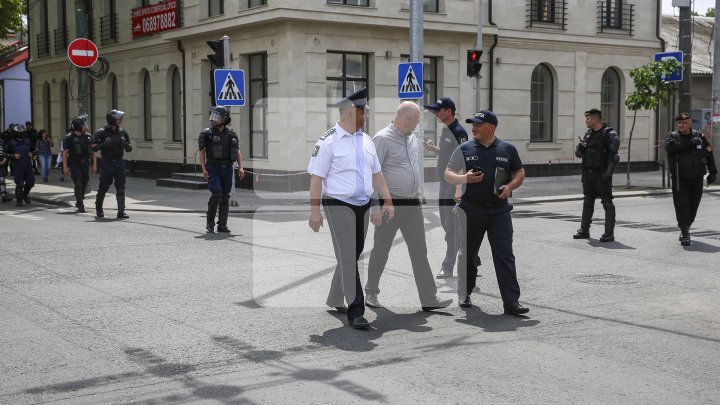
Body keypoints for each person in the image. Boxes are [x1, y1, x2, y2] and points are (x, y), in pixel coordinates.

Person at [307, 87, 394, 329]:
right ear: (348, 113)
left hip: (362, 205)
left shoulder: (366, 140)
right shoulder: (327, 142)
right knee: (348, 256)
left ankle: (335, 296)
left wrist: (386, 201)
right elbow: (316, 179)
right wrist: (314, 211)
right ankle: (356, 311)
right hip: (337, 204)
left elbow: (377, 173)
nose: (366, 117)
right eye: (362, 112)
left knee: (352, 255)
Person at [364, 101, 453, 311]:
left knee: (419, 251)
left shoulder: (412, 139)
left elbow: (413, 168)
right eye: (415, 121)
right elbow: (372, 175)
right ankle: (371, 292)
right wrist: (375, 207)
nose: (417, 126)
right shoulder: (382, 139)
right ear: (406, 119)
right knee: (381, 249)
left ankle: (429, 298)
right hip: (390, 204)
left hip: (413, 204)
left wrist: (419, 194)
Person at [444, 110, 529, 315]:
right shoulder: (464, 149)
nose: (474, 127)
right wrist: (464, 179)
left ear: (491, 127)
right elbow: (448, 174)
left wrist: (510, 187)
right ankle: (465, 293)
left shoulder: (507, 148)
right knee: (468, 255)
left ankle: (511, 302)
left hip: (499, 211)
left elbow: (519, 171)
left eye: (478, 124)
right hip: (471, 209)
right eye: (473, 124)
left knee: (504, 255)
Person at [423, 97, 480, 278]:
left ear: (448, 111)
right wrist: (435, 150)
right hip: (444, 183)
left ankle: (448, 266)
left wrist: (458, 186)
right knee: (449, 225)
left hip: (453, 185)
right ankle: (472, 257)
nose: (436, 113)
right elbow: (450, 153)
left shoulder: (458, 131)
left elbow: (463, 159)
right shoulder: (446, 129)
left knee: (451, 227)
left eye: (438, 110)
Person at [665, 112, 718, 246]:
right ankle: (684, 231)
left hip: (697, 177)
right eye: (679, 123)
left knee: (693, 206)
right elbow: (671, 148)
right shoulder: (672, 136)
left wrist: (713, 172)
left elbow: (709, 152)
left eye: (684, 123)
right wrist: (690, 143)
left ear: (690, 123)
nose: (681, 125)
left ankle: (687, 226)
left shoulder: (699, 136)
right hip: (680, 179)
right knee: (682, 206)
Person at [573, 108, 620, 242]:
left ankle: (609, 233)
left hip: (602, 173)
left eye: (588, 119)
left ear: (595, 119)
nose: (586, 121)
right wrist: (581, 148)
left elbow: (613, 156)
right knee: (588, 202)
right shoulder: (588, 135)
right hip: (588, 173)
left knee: (606, 202)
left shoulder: (609, 134)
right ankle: (584, 230)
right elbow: (578, 154)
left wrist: (608, 175)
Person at [198, 105, 245, 233]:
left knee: (225, 196)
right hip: (213, 167)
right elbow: (201, 152)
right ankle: (210, 222)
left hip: (228, 168)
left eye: (217, 116)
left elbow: (237, 151)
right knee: (217, 193)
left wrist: (241, 167)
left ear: (224, 118)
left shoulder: (232, 134)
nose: (214, 119)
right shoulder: (206, 133)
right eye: (213, 115)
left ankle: (222, 225)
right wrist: (204, 169)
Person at [93, 109, 132, 219]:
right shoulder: (102, 132)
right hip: (107, 162)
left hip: (119, 162)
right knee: (104, 186)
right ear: (112, 119)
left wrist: (127, 146)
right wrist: (104, 144)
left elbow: (129, 148)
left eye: (121, 118)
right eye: (118, 118)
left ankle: (121, 211)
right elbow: (93, 147)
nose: (120, 120)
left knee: (121, 187)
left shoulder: (123, 132)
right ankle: (99, 209)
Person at [63, 116, 97, 213]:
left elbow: (94, 151)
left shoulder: (89, 136)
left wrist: (94, 164)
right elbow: (65, 153)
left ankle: (79, 199)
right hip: (75, 163)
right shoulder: (69, 138)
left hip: (86, 162)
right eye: (83, 124)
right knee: (78, 183)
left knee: (85, 182)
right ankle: (80, 205)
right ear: (78, 126)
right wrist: (65, 167)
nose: (86, 126)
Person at [5, 124, 35, 207]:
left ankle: (25, 194)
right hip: (17, 166)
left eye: (22, 132)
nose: (21, 134)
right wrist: (13, 156)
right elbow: (5, 153)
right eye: (19, 132)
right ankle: (19, 200)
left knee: (31, 182)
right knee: (20, 183)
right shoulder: (11, 143)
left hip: (28, 166)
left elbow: (35, 150)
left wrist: (32, 153)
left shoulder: (28, 141)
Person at [0, 136, 12, 202]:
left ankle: (4, 195)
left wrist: (4, 160)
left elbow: (6, 152)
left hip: (1, 164)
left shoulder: (2, 142)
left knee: (2, 180)